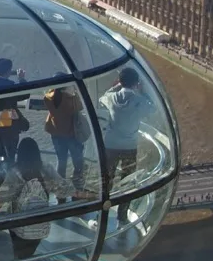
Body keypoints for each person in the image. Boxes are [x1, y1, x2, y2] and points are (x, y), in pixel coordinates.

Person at [0, 138, 75, 260]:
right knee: (29, 251)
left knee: (19, 253)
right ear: (37, 152)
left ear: (19, 154)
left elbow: (1, 199)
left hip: (18, 225)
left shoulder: (14, 173)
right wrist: (88, 195)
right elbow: (64, 190)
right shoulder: (47, 169)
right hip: (40, 223)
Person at [99, 67, 155, 228]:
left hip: (110, 145)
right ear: (136, 83)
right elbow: (153, 108)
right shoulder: (139, 101)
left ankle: (101, 213)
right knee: (127, 181)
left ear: (120, 82)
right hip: (129, 147)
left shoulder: (112, 98)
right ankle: (121, 217)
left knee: (106, 180)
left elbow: (102, 97)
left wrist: (116, 86)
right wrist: (143, 91)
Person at [44, 84, 86, 196]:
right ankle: (78, 185)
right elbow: (80, 106)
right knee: (77, 160)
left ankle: (60, 186)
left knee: (61, 160)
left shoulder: (50, 97)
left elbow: (48, 94)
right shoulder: (70, 100)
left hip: (56, 134)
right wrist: (75, 92)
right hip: (72, 135)